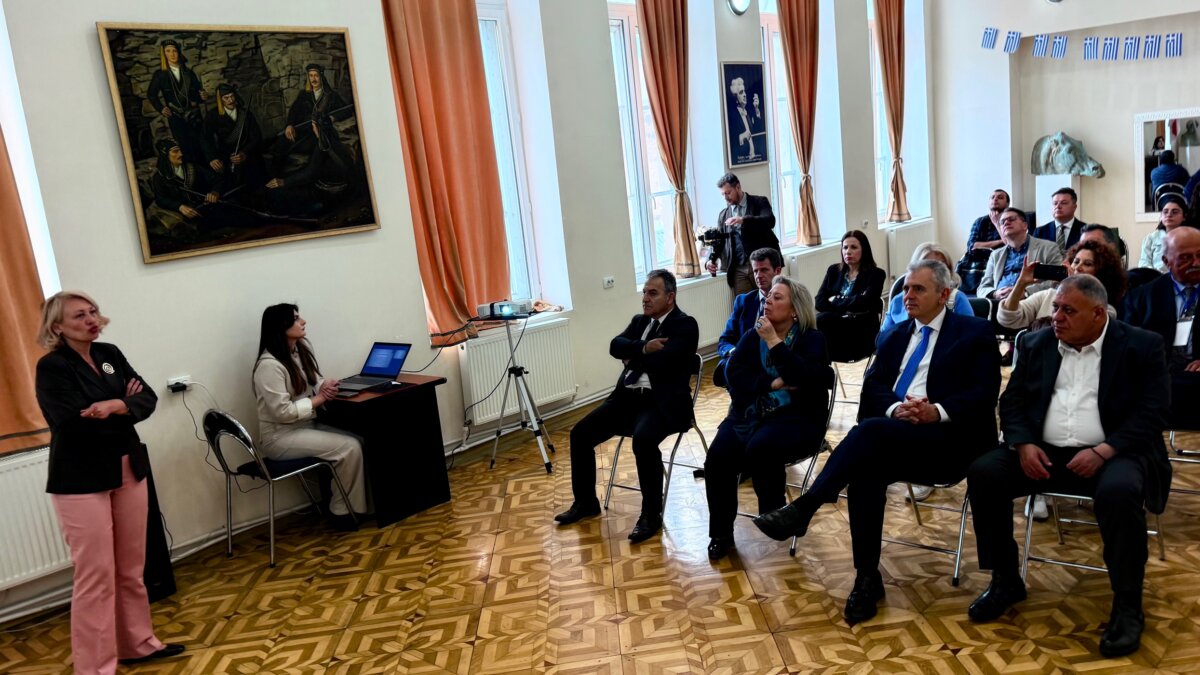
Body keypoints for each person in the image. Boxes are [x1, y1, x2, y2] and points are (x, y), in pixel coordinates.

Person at [753, 261, 1000, 625]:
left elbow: (984, 393)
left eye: (918, 289)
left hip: (949, 442)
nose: (907, 295)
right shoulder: (896, 334)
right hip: (896, 435)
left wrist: (936, 411)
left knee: (868, 435)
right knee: (865, 472)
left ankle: (806, 507)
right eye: (906, 288)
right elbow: (872, 388)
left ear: (944, 295)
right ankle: (867, 578)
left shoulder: (973, 332)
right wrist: (897, 408)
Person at [966, 275, 1170, 659]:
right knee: (984, 472)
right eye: (1056, 307)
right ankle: (1006, 578)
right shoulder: (1035, 342)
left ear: (1098, 314)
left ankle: (1128, 603)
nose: (1056, 317)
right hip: (1044, 453)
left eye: (1068, 310)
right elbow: (1012, 402)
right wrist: (1023, 443)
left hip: (1114, 453)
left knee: (1120, 492)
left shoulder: (1141, 346)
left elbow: (1153, 412)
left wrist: (1105, 451)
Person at [34, 291, 185, 673]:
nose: (91, 319)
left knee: (131, 569)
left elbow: (146, 398)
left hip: (127, 468)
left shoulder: (109, 354)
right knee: (96, 577)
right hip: (81, 477)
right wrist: (123, 406)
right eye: (79, 315)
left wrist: (116, 406)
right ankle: (95, 667)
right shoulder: (52, 367)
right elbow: (72, 422)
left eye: (93, 312)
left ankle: (137, 643)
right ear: (57, 327)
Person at [555, 270, 699, 543]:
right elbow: (614, 346)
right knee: (580, 434)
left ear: (670, 297)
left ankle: (651, 515)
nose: (645, 298)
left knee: (643, 440)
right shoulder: (640, 321)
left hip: (662, 403)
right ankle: (586, 502)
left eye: (653, 293)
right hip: (628, 398)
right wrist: (644, 348)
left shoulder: (684, 325)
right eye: (644, 292)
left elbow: (667, 363)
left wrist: (632, 357)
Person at [703, 275, 833, 560]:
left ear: (795, 309)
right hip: (750, 413)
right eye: (769, 296)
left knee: (761, 446)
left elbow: (801, 376)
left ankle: (774, 512)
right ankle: (720, 534)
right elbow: (733, 373)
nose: (768, 301)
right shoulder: (753, 335)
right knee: (718, 458)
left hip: (797, 417)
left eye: (777, 297)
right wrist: (770, 383)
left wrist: (774, 341)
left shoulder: (812, 339)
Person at [252, 304, 368, 527]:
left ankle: (360, 507)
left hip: (304, 427)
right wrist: (320, 399)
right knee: (350, 447)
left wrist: (325, 386)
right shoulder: (268, 366)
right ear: (281, 326)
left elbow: (314, 380)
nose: (303, 321)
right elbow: (282, 412)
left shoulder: (299, 349)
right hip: (279, 437)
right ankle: (342, 513)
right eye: (296, 319)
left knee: (359, 441)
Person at [1125, 227, 1200, 429]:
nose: (1196, 263)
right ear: (1166, 261)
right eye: (1186, 258)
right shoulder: (1142, 297)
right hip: (1157, 376)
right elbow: (1126, 345)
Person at [998, 240, 1126, 331]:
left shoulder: (1104, 310)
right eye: (1075, 261)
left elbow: (1079, 328)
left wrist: (1074, 288)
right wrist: (1021, 284)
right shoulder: (1047, 296)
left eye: (1087, 264)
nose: (1078, 267)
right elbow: (1008, 319)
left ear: (1101, 273)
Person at [714, 247, 783, 388]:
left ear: (777, 271)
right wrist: (735, 352)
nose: (758, 276)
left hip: (773, 364)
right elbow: (724, 340)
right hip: (744, 365)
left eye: (764, 270)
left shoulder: (788, 302)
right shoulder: (743, 301)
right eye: (755, 271)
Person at [881, 242, 974, 342]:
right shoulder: (898, 301)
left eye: (942, 266)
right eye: (929, 266)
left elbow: (970, 338)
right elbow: (883, 339)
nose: (938, 272)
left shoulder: (957, 299)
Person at [815, 230, 885, 362]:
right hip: (835, 327)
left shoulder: (876, 274)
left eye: (854, 247)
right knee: (814, 323)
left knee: (822, 320)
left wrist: (835, 300)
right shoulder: (833, 271)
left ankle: (821, 364)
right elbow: (819, 302)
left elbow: (866, 303)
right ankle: (820, 365)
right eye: (845, 247)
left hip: (860, 330)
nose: (848, 252)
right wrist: (851, 302)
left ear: (864, 250)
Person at [707, 173, 780, 295]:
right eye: (723, 194)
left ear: (738, 187)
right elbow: (719, 241)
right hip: (738, 269)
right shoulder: (723, 215)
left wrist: (744, 220)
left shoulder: (759, 202)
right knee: (744, 304)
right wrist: (710, 260)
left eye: (728, 193)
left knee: (770, 298)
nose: (726, 198)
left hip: (762, 264)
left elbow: (770, 221)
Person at [978, 208, 1063, 300]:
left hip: (1031, 301)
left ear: (1025, 225)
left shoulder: (1048, 248)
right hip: (999, 301)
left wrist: (1025, 292)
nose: (1006, 223)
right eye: (1002, 222)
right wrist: (995, 294)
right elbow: (983, 287)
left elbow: (1056, 281)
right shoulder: (995, 255)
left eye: (1011, 219)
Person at [146, 39, 206, 163]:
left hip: (194, 117)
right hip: (176, 118)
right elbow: (151, 94)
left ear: (178, 52)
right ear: (164, 54)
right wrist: (161, 108)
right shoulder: (160, 75)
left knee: (200, 147)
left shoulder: (189, 73)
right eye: (168, 51)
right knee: (184, 149)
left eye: (174, 51)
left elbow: (197, 97)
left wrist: (202, 97)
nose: (172, 54)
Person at [146, 138, 222, 233]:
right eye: (175, 151)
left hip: (206, 210)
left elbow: (217, 180)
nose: (181, 154)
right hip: (182, 216)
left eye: (180, 150)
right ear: (165, 155)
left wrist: (215, 192)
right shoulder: (159, 177)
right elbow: (160, 199)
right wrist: (179, 207)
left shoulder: (193, 167)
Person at [202, 83, 266, 196]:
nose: (230, 100)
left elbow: (256, 137)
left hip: (247, 154)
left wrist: (244, 153)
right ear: (220, 99)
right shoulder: (213, 115)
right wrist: (212, 158)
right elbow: (205, 138)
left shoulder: (245, 114)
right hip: (225, 157)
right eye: (226, 98)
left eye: (232, 96)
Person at [1139, 194, 1189, 273]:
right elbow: (1143, 264)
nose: (1169, 215)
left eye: (1175, 212)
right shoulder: (1151, 238)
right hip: (1155, 277)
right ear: (1161, 216)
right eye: (1165, 212)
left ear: (1184, 217)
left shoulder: (1190, 238)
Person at [1033, 188, 1087, 255]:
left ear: (1074, 207)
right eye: (1055, 203)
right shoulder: (1040, 232)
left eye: (1064, 203)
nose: (1058, 206)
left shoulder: (1086, 231)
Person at [964, 189, 1011, 257]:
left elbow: (1011, 244)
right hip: (979, 260)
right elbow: (971, 246)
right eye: (992, 197)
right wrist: (1001, 241)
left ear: (1007, 204)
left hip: (1002, 259)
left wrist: (997, 224)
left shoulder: (1011, 220)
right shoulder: (979, 221)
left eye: (1000, 197)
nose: (995, 199)